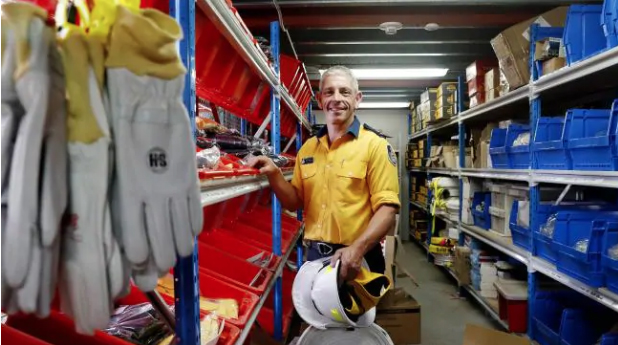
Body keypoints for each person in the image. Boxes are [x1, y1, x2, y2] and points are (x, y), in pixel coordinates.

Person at [248, 65, 400, 280]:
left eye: (344, 92)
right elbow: (295, 202)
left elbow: (387, 210)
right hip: (315, 257)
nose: (336, 98)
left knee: (353, 314)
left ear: (357, 99)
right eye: (329, 92)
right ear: (320, 101)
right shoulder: (308, 149)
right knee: (316, 313)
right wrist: (274, 174)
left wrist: (356, 249)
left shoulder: (375, 146)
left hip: (358, 257)